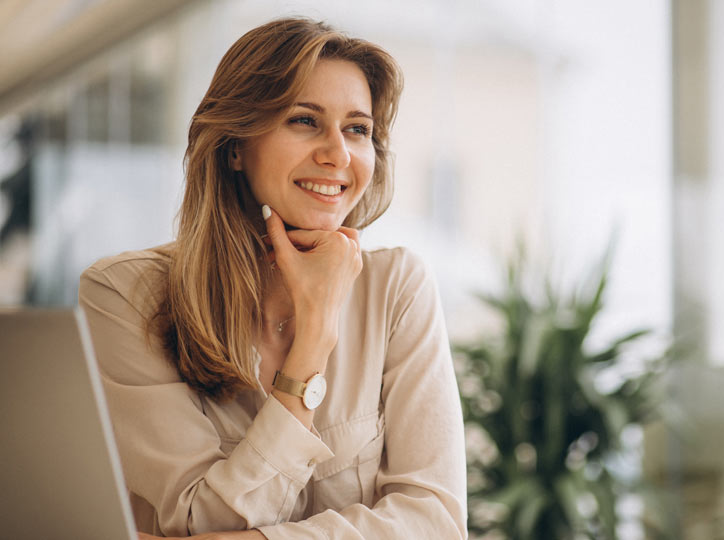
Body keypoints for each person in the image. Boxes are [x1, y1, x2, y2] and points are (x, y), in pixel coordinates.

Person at [78, 17, 467, 539]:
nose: (338, 154)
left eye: (358, 129)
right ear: (235, 145)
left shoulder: (397, 288)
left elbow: (436, 523)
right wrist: (312, 346)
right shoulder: (125, 295)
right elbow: (195, 521)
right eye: (305, 120)